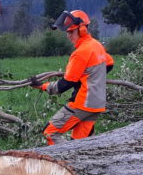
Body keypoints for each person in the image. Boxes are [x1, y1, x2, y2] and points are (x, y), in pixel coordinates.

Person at [29, 10, 115, 144]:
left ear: (82, 30)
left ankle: (62, 162)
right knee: (80, 143)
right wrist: (90, 77)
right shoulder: (96, 45)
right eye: (67, 32)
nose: (68, 35)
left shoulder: (80, 53)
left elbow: (64, 85)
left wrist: (41, 86)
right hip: (97, 104)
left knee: (50, 133)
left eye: (71, 32)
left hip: (82, 104)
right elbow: (109, 63)